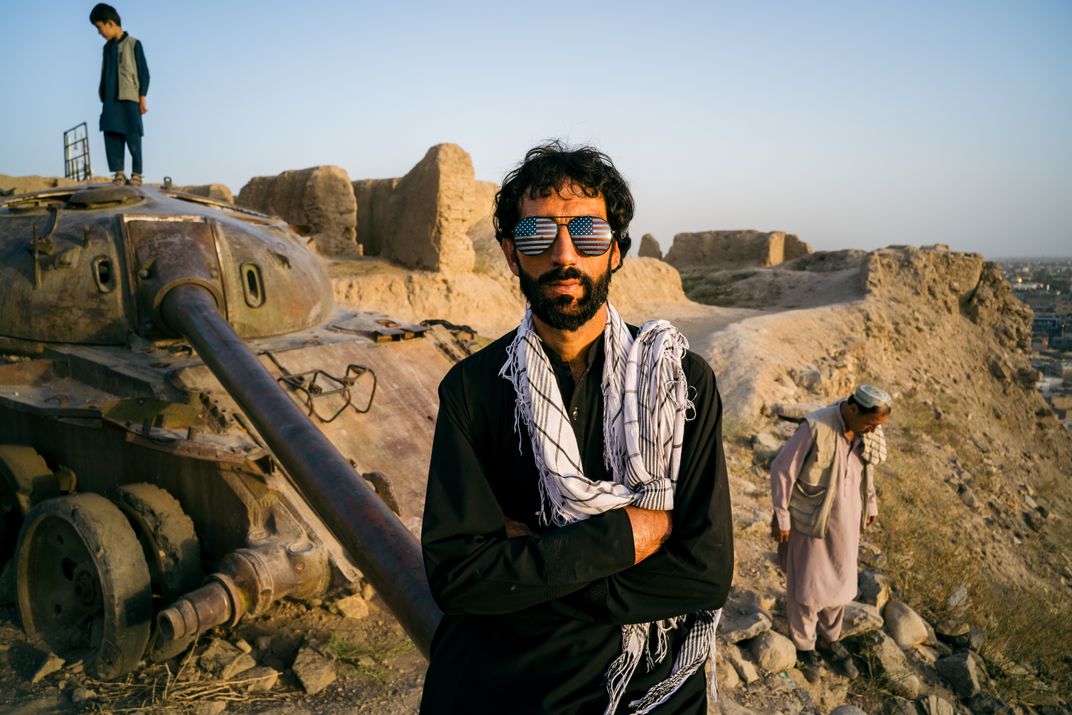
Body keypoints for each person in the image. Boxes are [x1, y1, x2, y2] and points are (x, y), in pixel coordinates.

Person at [420, 142, 734, 714]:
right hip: (506, 688)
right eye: (537, 234)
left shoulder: (679, 381)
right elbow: (458, 579)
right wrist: (621, 540)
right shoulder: (473, 389)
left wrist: (532, 567)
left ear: (615, 252)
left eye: (587, 233)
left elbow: (702, 576)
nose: (564, 254)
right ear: (511, 254)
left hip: (649, 691)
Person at [769, 385, 892, 683]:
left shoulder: (867, 431)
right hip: (811, 519)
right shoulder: (815, 427)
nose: (874, 430)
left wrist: (870, 502)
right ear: (853, 409)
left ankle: (829, 639)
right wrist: (782, 516)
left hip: (847, 520)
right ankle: (804, 646)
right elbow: (783, 469)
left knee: (841, 581)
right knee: (806, 586)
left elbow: (866, 470)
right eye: (870, 423)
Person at [89, 3, 149, 186]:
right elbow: (104, 72)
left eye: (99, 27)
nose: (99, 32)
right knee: (111, 132)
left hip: (129, 98)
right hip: (110, 100)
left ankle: (137, 173)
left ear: (110, 23)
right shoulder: (106, 48)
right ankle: (119, 173)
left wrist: (142, 98)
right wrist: (102, 94)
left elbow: (144, 73)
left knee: (133, 133)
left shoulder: (134, 44)